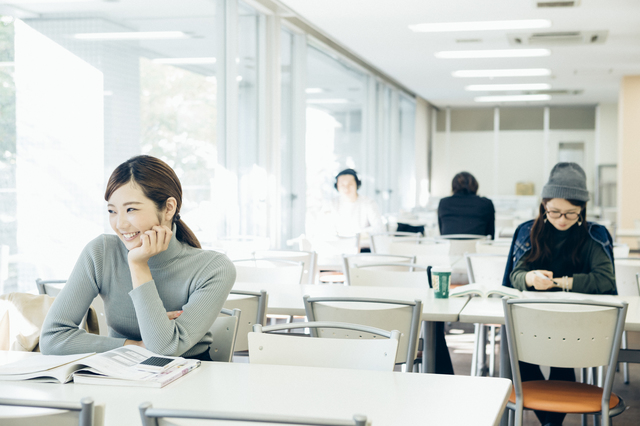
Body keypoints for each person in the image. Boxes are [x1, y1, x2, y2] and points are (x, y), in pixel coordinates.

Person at [40, 155, 236, 360]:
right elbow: (52, 338)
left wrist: (138, 264)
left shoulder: (214, 268)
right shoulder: (101, 251)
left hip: (188, 377)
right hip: (118, 371)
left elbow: (164, 349)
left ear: (169, 208)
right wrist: (132, 345)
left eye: (131, 209)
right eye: (112, 211)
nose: (120, 224)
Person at [502, 162, 616, 426]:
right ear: (544, 206)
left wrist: (559, 282)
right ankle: (551, 423)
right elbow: (513, 277)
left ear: (582, 210)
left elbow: (605, 280)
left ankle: (550, 423)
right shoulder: (528, 230)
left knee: (563, 359)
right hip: (532, 319)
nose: (562, 220)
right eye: (554, 212)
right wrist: (529, 277)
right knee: (521, 355)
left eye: (571, 213)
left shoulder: (593, 235)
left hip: (580, 322)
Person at [438, 171, 495, 239]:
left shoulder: (444, 203)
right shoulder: (486, 204)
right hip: (478, 249)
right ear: (475, 185)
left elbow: (442, 234)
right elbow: (490, 237)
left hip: (450, 248)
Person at [329, 168, 384, 238]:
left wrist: (355, 235)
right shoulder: (332, 204)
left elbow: (379, 228)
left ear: (357, 185)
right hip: (339, 245)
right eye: (342, 185)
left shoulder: (368, 203)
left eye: (350, 184)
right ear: (337, 186)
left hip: (363, 246)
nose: (346, 188)